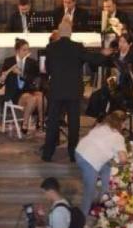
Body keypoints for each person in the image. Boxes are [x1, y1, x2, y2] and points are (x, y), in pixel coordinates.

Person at [42, 21, 110, 162]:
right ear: (71, 32)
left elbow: (47, 69)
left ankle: (47, 154)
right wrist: (104, 54)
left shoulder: (51, 47)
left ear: (59, 32)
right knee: (74, 124)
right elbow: (92, 59)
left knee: (53, 122)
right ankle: (73, 154)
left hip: (56, 90)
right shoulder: (77, 47)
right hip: (73, 91)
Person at [75, 110, 128, 215]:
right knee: (89, 192)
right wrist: (124, 161)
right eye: (124, 122)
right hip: (89, 161)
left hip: (79, 152)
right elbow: (123, 159)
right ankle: (82, 218)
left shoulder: (100, 126)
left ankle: (104, 192)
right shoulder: (117, 137)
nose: (125, 125)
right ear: (120, 123)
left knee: (106, 166)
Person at [0, 38, 45, 132]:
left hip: (28, 90)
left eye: (27, 50)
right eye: (24, 50)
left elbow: (34, 79)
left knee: (41, 97)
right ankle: (24, 124)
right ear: (17, 50)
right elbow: (0, 81)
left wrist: (21, 74)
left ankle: (40, 122)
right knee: (32, 99)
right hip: (14, 93)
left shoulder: (31, 62)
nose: (26, 52)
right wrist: (3, 78)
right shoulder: (9, 61)